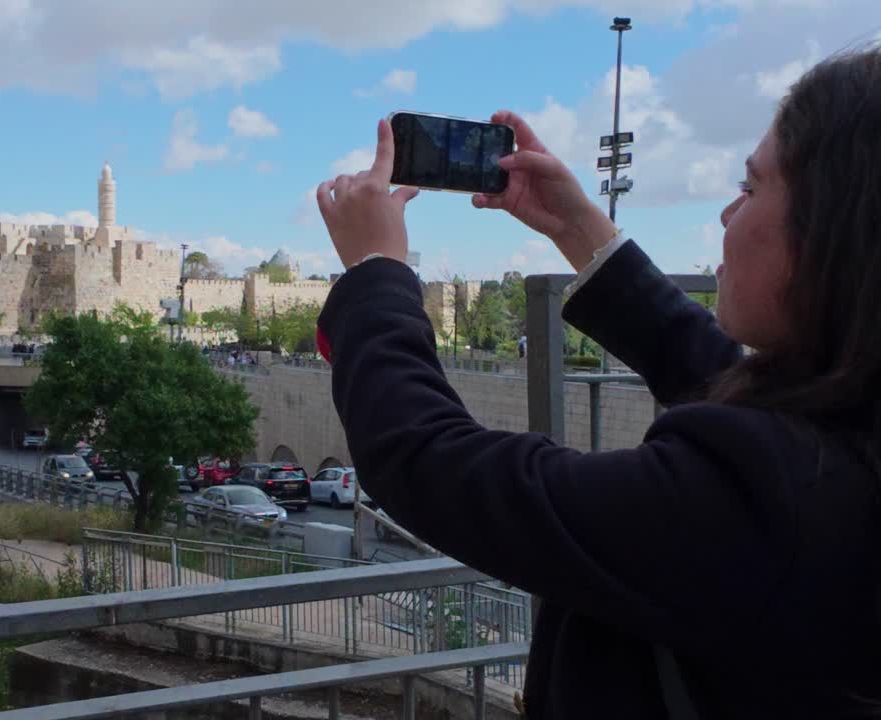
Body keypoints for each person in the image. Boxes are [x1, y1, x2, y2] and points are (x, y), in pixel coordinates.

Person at [313, 47, 881, 719]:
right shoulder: (846, 436)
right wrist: (579, 228)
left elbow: (432, 464)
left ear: (834, 234)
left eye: (751, 187)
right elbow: (718, 373)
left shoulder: (763, 498)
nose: (728, 216)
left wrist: (376, 274)